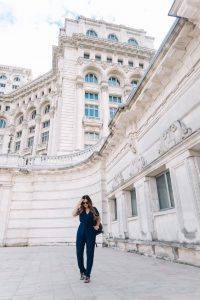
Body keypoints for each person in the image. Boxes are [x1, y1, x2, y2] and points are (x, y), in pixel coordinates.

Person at [72, 195, 100, 283]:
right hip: (81, 232)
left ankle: (87, 275)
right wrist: (78, 203)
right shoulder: (80, 210)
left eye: (86, 202)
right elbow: (73, 214)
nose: (85, 204)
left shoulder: (94, 209)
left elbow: (98, 218)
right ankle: (82, 271)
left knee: (90, 253)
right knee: (79, 252)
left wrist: (97, 225)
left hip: (91, 232)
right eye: (83, 203)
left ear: (89, 201)